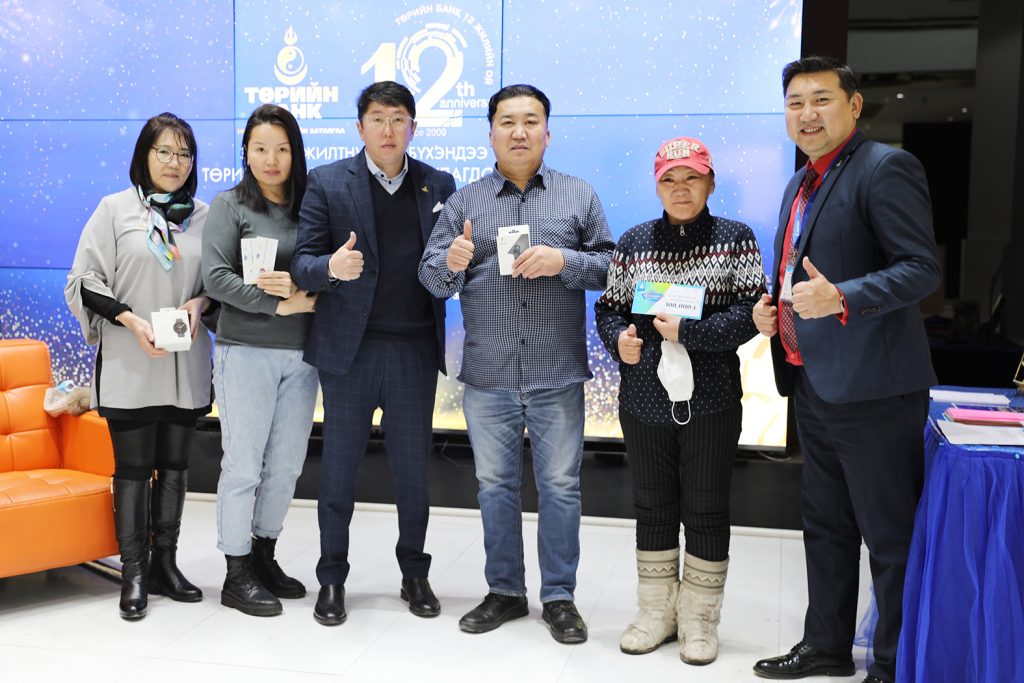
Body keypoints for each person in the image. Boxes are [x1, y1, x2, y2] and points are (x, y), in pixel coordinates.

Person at [751, 56, 939, 683]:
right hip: (814, 379)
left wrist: (843, 297)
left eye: (821, 99)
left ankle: (893, 664)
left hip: (876, 387)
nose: (807, 114)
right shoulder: (800, 182)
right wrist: (775, 306)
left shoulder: (885, 167)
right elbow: (799, 268)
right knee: (826, 526)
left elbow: (921, 269)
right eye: (795, 103)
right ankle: (827, 646)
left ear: (854, 106)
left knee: (888, 536)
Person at [419, 84, 615, 644]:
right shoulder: (465, 202)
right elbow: (431, 278)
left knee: (561, 488)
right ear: (491, 135)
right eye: (508, 122)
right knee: (494, 486)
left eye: (531, 121)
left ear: (547, 133)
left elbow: (611, 267)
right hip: (490, 373)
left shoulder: (578, 194)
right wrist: (452, 260)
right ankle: (504, 591)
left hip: (557, 371)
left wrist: (563, 260)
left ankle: (559, 597)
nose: (519, 131)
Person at [291, 81, 456, 625]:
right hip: (349, 353)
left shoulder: (438, 184)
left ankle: (415, 574)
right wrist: (330, 269)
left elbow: (447, 263)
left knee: (413, 476)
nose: (388, 129)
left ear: (413, 127)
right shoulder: (327, 182)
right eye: (378, 119)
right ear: (360, 127)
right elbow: (303, 263)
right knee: (338, 474)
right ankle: (331, 579)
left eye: (398, 119)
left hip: (413, 350)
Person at [594, 137, 765, 664]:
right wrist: (618, 340)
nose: (681, 188)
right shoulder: (634, 241)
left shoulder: (735, 239)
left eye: (691, 177)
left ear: (710, 182)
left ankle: (699, 621)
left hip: (712, 399)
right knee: (652, 507)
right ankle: (655, 614)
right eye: (670, 179)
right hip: (643, 399)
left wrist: (690, 332)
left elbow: (751, 314)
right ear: (657, 186)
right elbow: (609, 308)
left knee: (707, 508)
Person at [65, 113, 212, 620]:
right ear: (144, 156)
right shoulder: (114, 210)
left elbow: (220, 281)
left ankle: (165, 565)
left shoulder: (204, 216)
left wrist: (201, 304)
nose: (175, 163)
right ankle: (133, 571)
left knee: (175, 465)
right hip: (130, 361)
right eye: (164, 151)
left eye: (184, 154)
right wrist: (128, 319)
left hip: (184, 364)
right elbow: (83, 279)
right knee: (132, 467)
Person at [201, 104, 318, 617]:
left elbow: (324, 268)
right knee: (244, 464)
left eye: (282, 149)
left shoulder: (311, 207)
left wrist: (312, 290)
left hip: (304, 354)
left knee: (287, 465)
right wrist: (277, 305)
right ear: (246, 153)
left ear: (295, 153)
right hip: (245, 350)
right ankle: (236, 571)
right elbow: (216, 278)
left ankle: (264, 554)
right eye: (261, 148)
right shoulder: (230, 206)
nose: (272, 159)